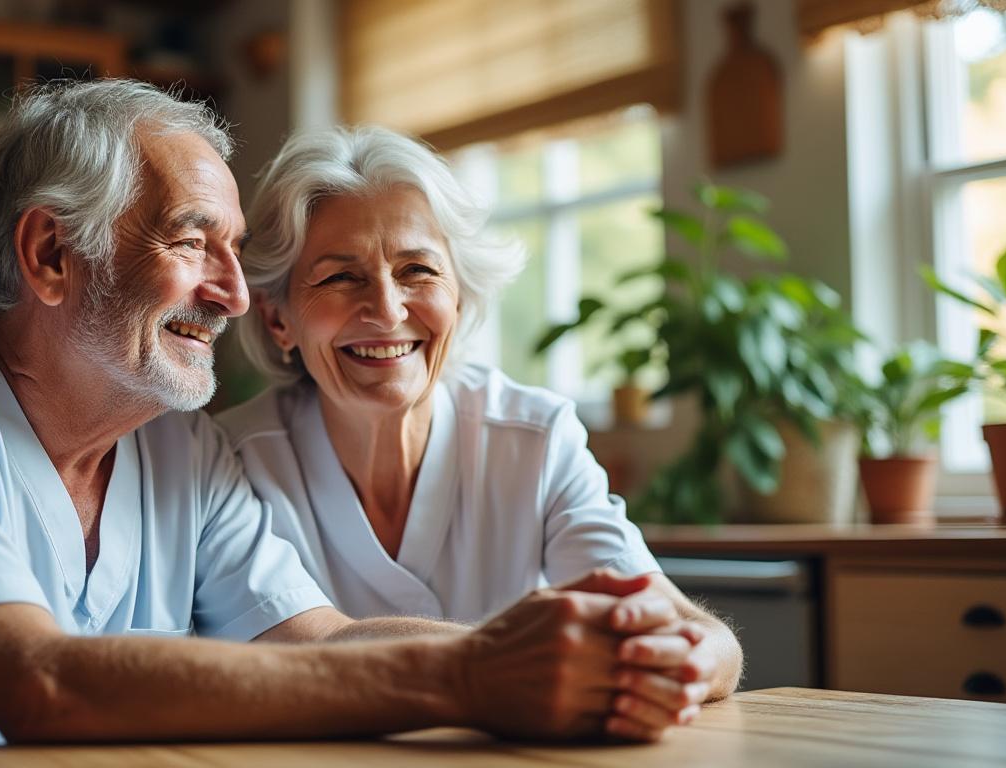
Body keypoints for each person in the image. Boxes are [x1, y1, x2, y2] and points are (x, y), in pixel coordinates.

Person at [0, 81, 704, 761]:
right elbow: (40, 684)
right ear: (52, 256)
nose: (238, 296)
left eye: (237, 252)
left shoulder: (183, 450)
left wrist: (537, 649)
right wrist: (471, 679)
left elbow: (320, 643)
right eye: (197, 243)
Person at [218, 125, 744, 731]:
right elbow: (293, 645)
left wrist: (686, 661)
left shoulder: (536, 436)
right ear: (278, 318)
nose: (388, 310)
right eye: (340, 277)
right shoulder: (230, 459)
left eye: (418, 269)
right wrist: (525, 661)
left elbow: (690, 630)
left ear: (460, 300)